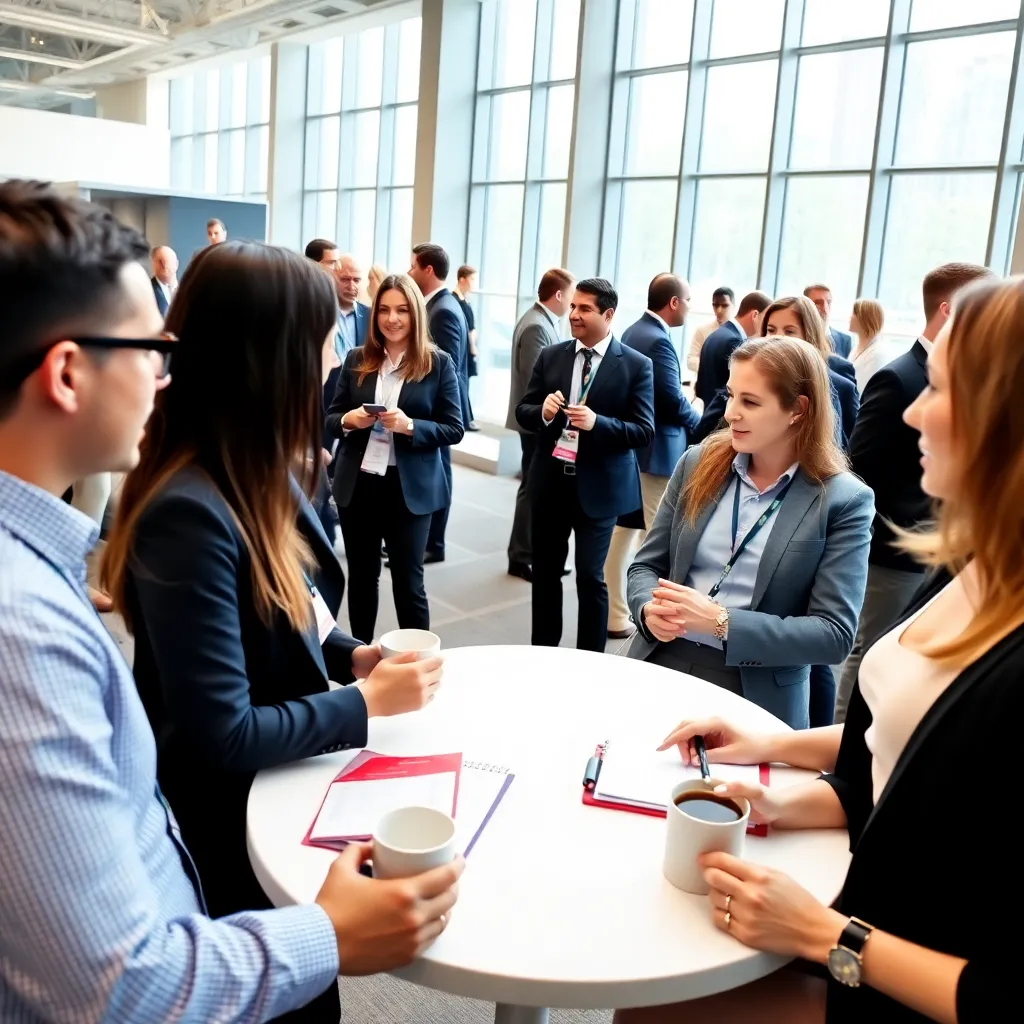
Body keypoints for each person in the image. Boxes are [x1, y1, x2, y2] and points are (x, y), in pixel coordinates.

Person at [0, 179, 461, 1024]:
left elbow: (290, 607)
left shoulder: (260, 472)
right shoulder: (27, 622)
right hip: (213, 877)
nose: (164, 374)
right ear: (68, 372)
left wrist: (349, 657)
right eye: (148, 348)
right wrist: (362, 704)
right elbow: (117, 984)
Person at [619, 274, 1024, 1024]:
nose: (909, 410)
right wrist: (777, 766)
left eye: (939, 389)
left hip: (878, 955)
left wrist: (826, 934)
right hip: (849, 892)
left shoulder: (850, 503)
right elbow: (906, 753)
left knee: (653, 1000)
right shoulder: (972, 569)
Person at [624, 336, 872, 730]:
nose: (730, 413)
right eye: (730, 395)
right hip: (661, 658)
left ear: (798, 410)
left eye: (750, 402)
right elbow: (645, 567)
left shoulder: (843, 499)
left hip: (755, 688)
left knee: (723, 793)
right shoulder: (698, 462)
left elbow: (834, 634)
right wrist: (646, 609)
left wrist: (720, 621)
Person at [835, 262, 991, 722]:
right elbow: (858, 470)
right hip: (894, 550)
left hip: (931, 546)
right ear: (949, 310)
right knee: (875, 656)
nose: (919, 414)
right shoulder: (899, 376)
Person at [516, 278, 654, 652]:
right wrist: (542, 412)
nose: (573, 315)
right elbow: (523, 410)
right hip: (550, 482)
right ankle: (543, 652)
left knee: (591, 578)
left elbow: (643, 430)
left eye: (584, 309)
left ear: (608, 315)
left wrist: (598, 423)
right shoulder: (553, 356)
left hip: (599, 488)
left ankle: (591, 661)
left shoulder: (636, 366)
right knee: (545, 574)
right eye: (573, 307)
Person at [325, 273, 464, 643]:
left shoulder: (438, 363)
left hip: (410, 489)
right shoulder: (357, 359)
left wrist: (411, 426)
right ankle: (361, 658)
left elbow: (454, 427)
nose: (392, 318)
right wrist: (347, 420)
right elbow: (330, 418)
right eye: (384, 309)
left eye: (402, 310)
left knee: (408, 580)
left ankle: (417, 663)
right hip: (360, 484)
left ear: (415, 314)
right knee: (362, 576)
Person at [604, 273, 704, 640]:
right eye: (689, 300)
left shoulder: (634, 330)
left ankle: (615, 613)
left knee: (624, 533)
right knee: (660, 541)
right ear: (673, 302)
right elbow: (670, 398)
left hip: (638, 454)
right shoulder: (659, 340)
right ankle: (655, 621)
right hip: (657, 454)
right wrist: (701, 423)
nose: (691, 307)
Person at [505, 267, 575, 582]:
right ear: (558, 295)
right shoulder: (537, 326)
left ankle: (530, 553)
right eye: (572, 299)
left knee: (535, 488)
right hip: (536, 422)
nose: (573, 307)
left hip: (538, 421)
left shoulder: (541, 320)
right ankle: (521, 556)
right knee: (532, 489)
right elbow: (540, 381)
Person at [409, 242, 469, 563]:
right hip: (433, 412)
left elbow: (447, 369)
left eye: (413, 266)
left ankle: (434, 544)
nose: (409, 272)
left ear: (428, 270)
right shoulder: (440, 305)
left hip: (437, 412)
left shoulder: (443, 310)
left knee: (439, 474)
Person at [760, 296, 859, 450]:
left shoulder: (836, 386)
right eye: (771, 330)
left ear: (808, 335)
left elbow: (848, 450)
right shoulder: (755, 380)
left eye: (789, 331)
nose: (777, 338)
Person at [694, 290, 770, 407]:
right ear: (755, 315)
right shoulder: (735, 341)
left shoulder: (718, 333)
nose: (766, 326)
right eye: (765, 319)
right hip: (720, 415)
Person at [453, 264, 480, 430]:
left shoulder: (464, 301)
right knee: (461, 382)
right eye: (472, 279)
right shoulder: (456, 301)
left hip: (467, 348)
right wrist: (472, 348)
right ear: (462, 279)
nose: (473, 283)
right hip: (463, 350)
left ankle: (466, 417)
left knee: (466, 382)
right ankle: (463, 418)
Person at [686, 285, 734, 376]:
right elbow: (691, 361)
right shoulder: (702, 330)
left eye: (724, 306)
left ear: (733, 306)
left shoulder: (740, 332)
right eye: (716, 305)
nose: (719, 310)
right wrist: (714, 366)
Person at [847, 297, 885, 394]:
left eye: (854, 313)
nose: (850, 317)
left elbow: (865, 390)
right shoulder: (856, 347)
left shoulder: (876, 354)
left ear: (865, 318)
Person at [804, 283, 852, 358]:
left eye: (828, 302)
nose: (825, 308)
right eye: (818, 303)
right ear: (805, 305)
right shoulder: (795, 336)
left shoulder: (844, 341)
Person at [150, 244, 178, 317]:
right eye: (160, 261)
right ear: (153, 264)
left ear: (177, 264)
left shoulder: (187, 290)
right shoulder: (147, 291)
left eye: (168, 261)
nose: (164, 265)